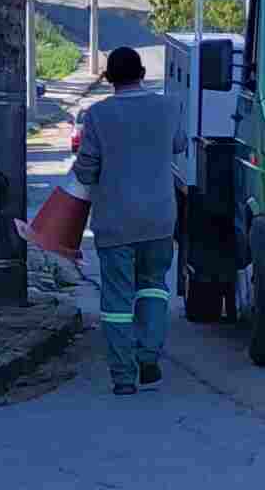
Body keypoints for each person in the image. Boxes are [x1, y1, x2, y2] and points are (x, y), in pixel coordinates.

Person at [71, 46, 187, 396]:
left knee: (117, 300)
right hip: (159, 219)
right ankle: (148, 353)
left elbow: (87, 169)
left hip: (115, 222)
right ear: (140, 73)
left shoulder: (97, 116)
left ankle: (123, 376)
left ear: (108, 80)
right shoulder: (168, 108)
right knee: (153, 285)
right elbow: (178, 145)